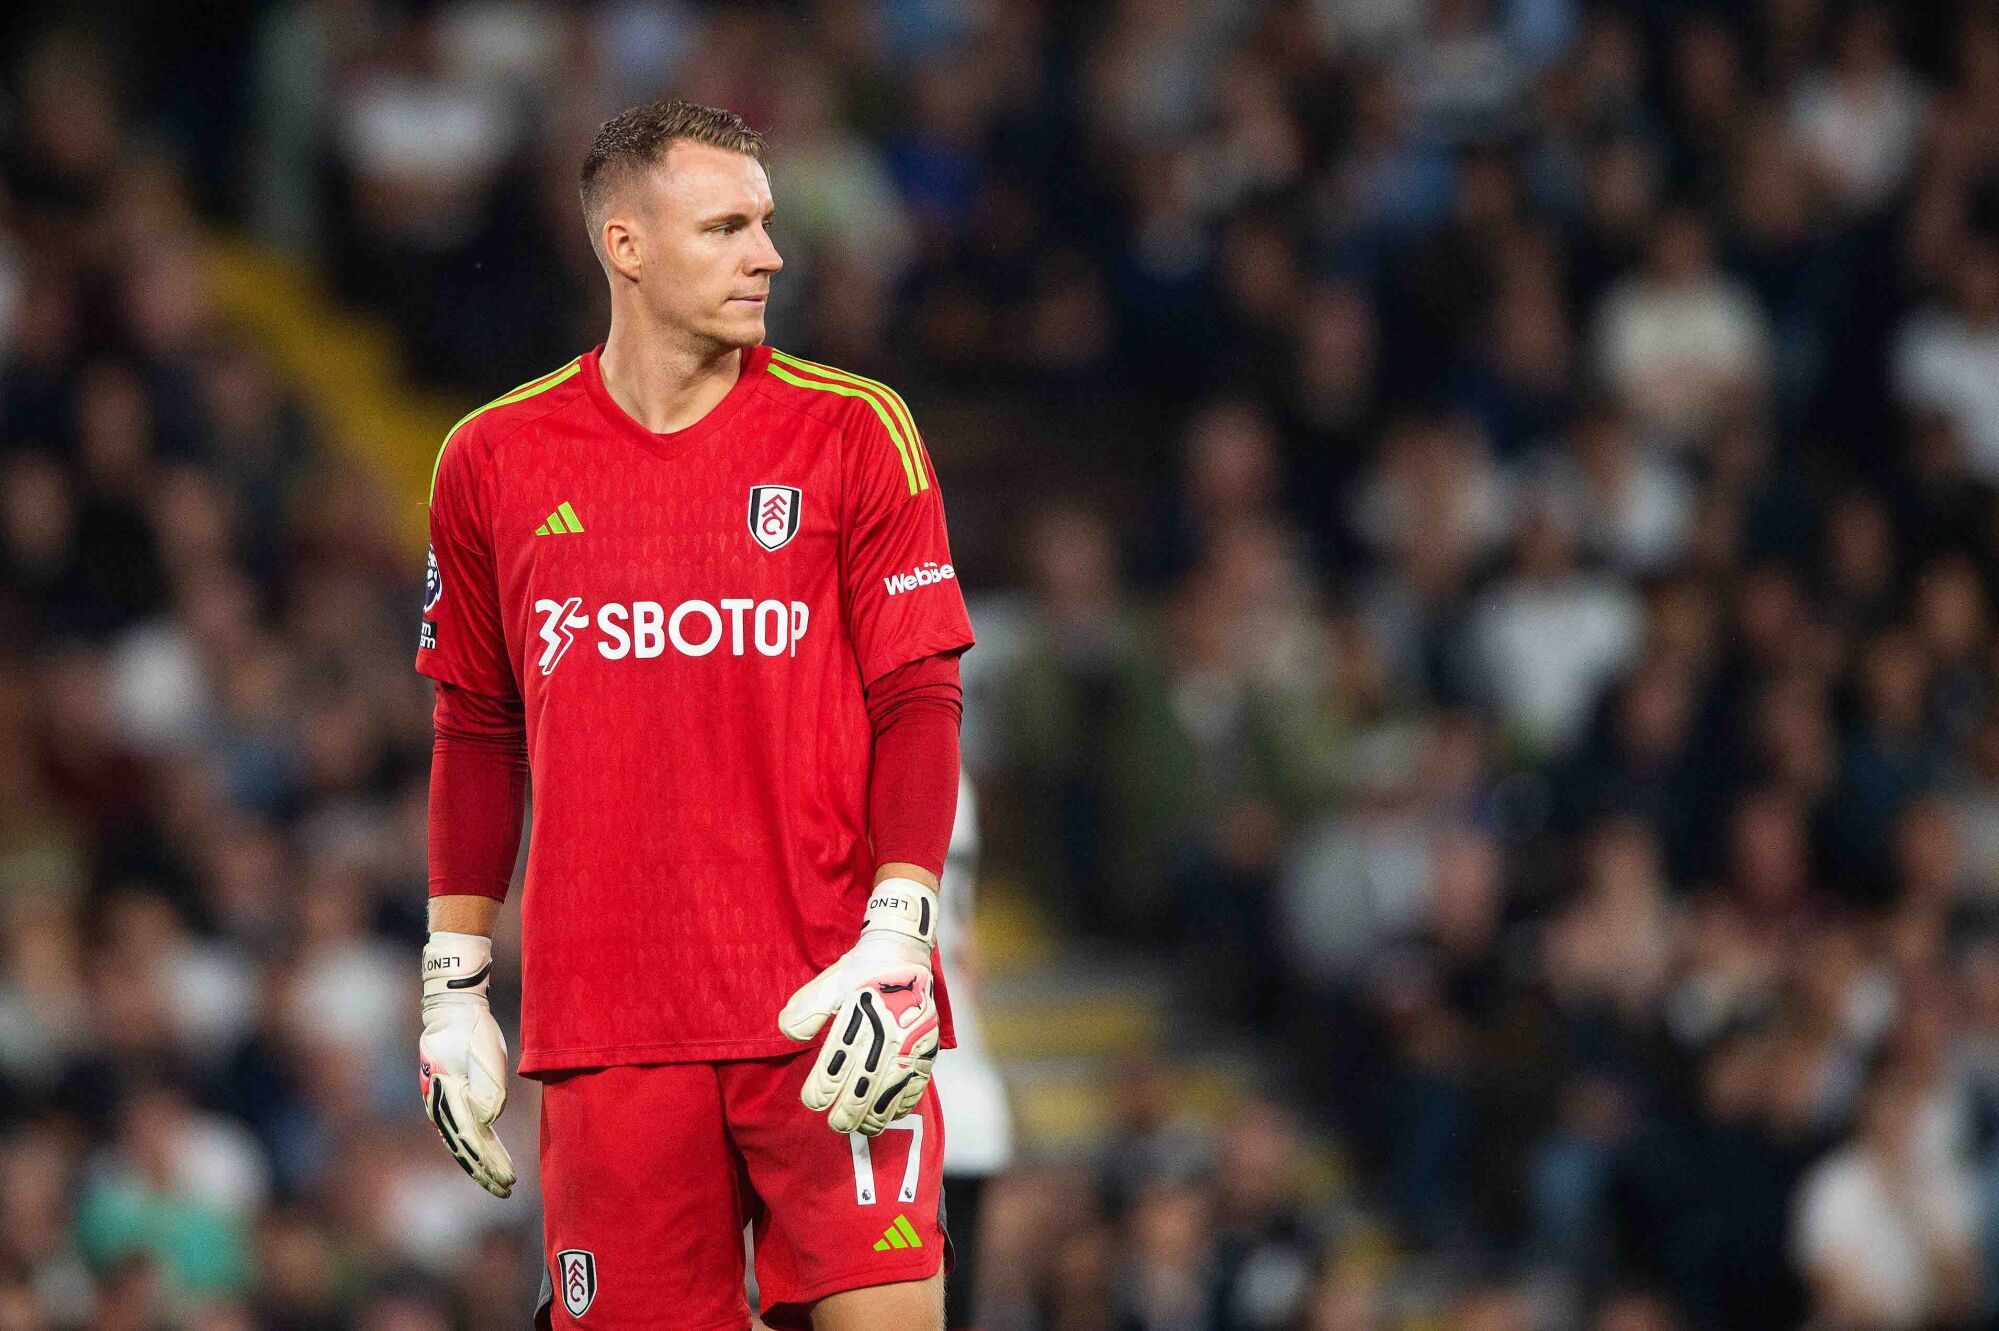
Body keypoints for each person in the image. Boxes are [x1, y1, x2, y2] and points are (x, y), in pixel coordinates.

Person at [412, 99, 974, 1330]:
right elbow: (476, 729)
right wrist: (454, 985)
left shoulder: (853, 430)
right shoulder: (492, 459)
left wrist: (898, 932)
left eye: (765, 224)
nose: (768, 253)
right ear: (626, 244)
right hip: (613, 1028)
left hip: (830, 1009)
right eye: (726, 227)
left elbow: (920, 695)